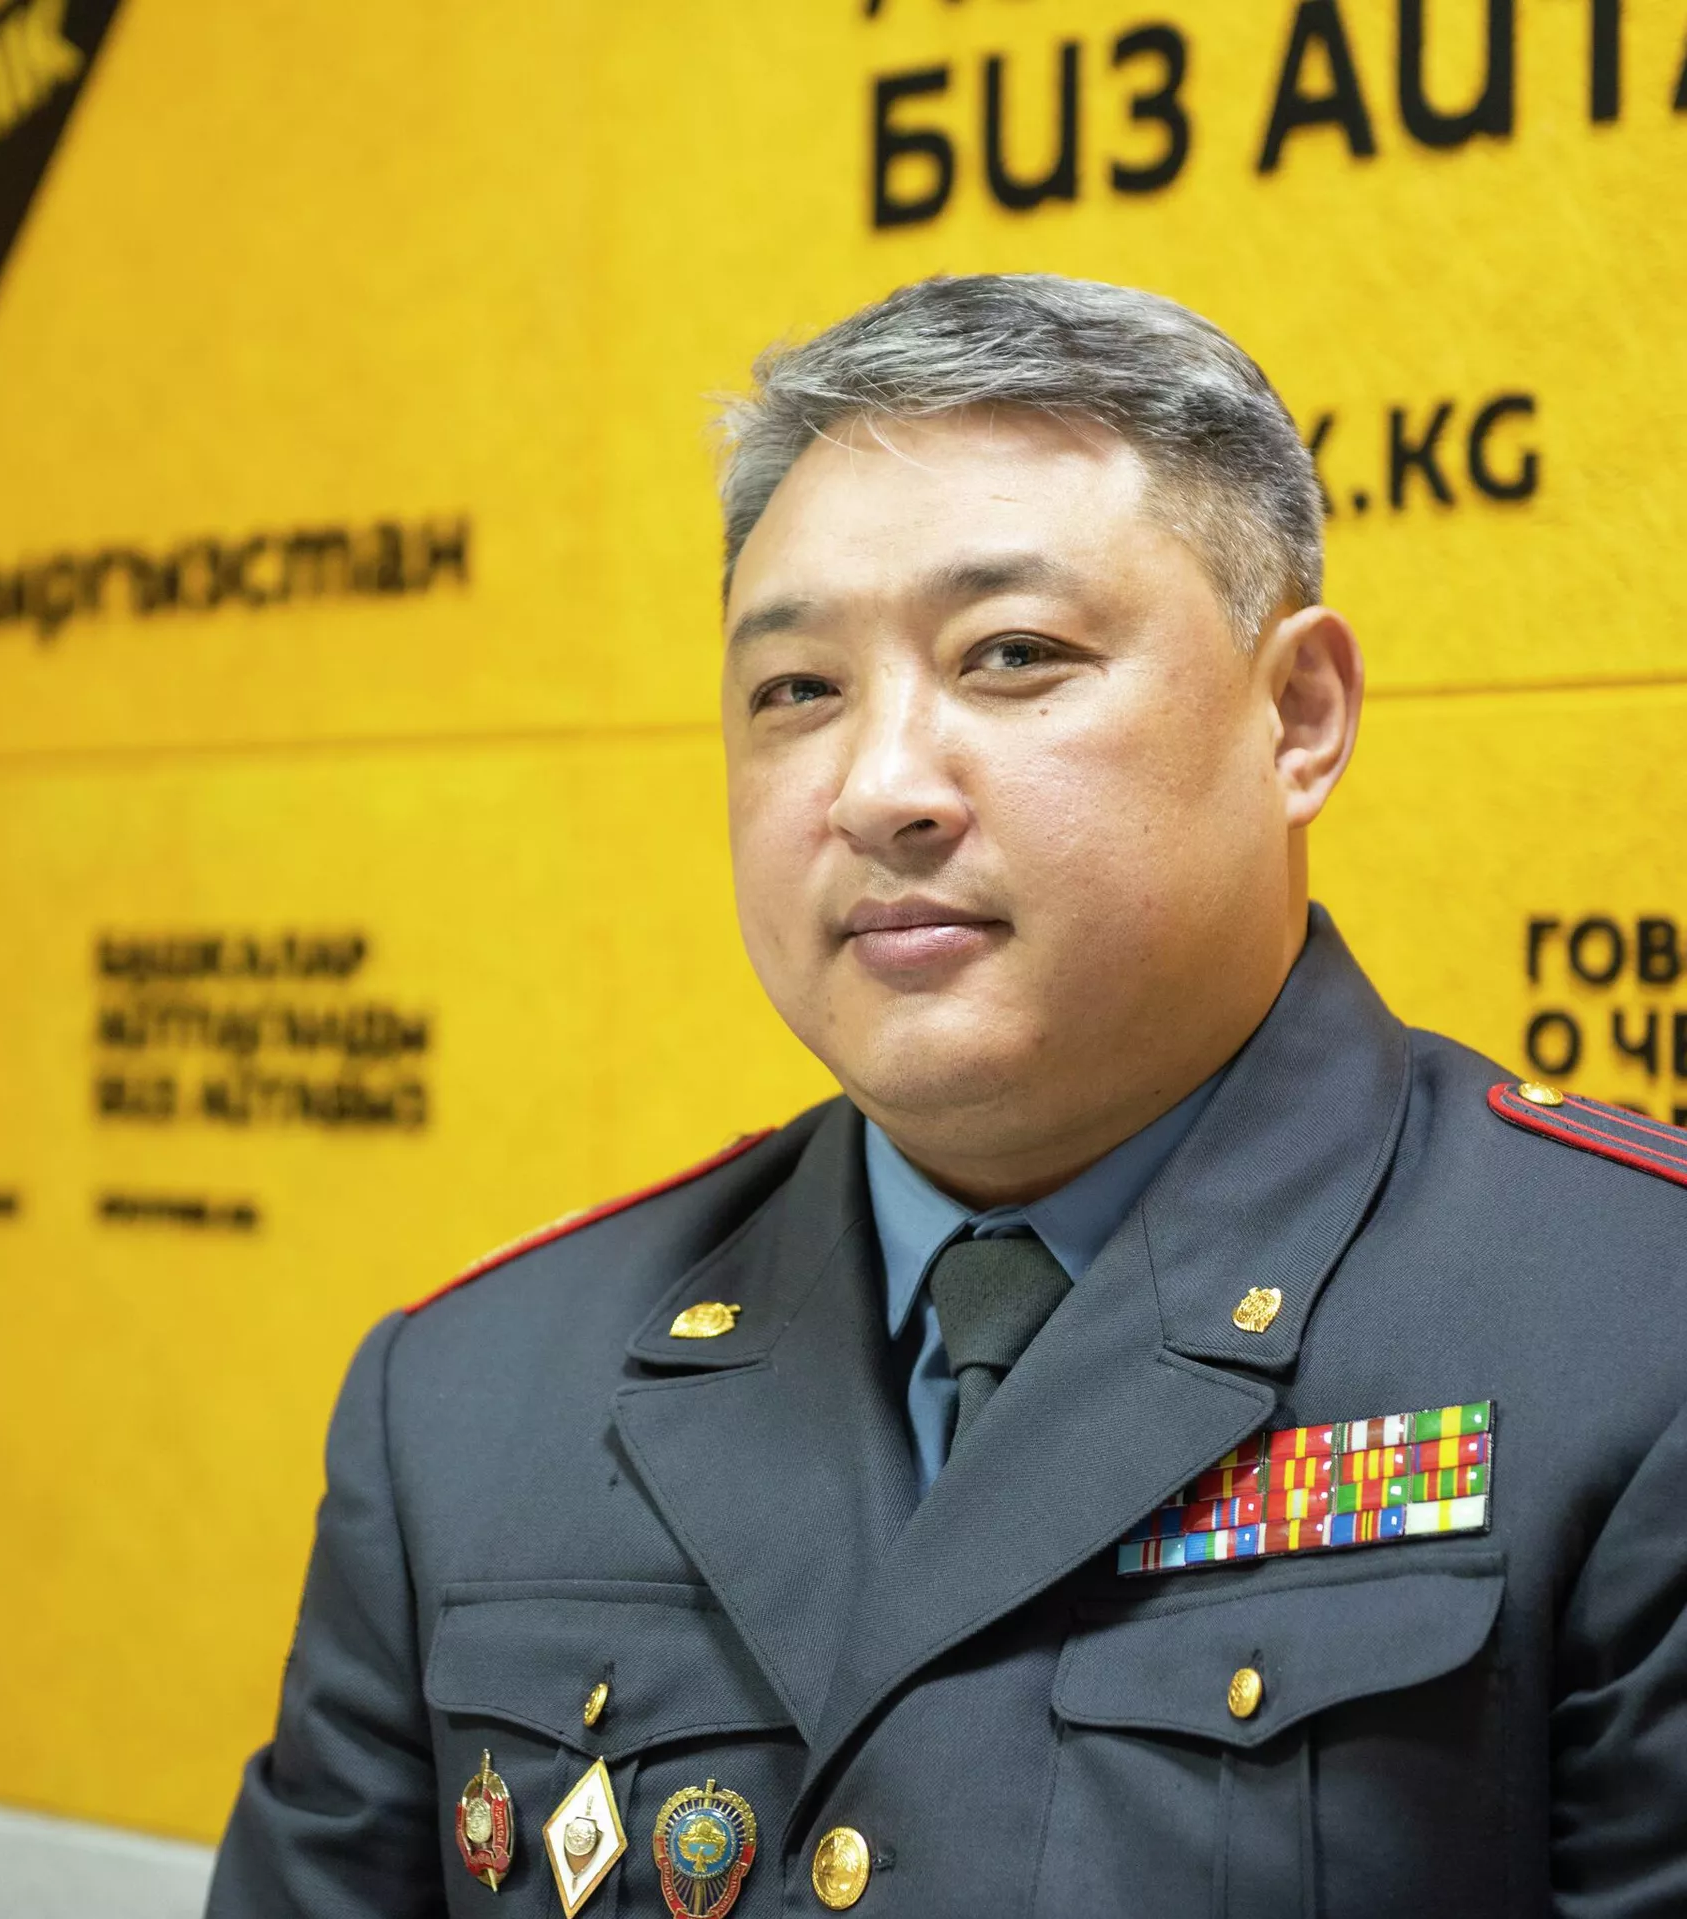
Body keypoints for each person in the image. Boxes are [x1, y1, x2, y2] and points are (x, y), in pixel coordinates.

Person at [207, 275, 1687, 1918]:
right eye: (798, 689)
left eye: (1013, 655)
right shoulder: (472, 1398)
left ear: (1297, 718)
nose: (881, 788)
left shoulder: (1635, 1331)